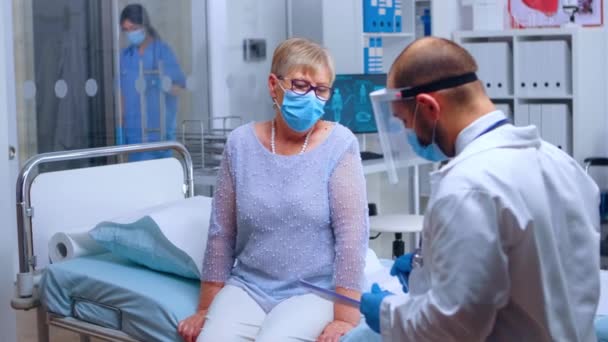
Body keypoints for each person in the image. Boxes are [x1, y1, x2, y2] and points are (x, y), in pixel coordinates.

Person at [360, 37, 600, 341]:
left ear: (428, 107)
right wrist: (429, 272)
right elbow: (535, 276)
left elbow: (452, 329)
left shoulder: (467, 186)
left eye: (405, 121)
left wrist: (386, 313)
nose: (407, 132)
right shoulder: (563, 165)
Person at [178, 38, 369, 342]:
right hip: (249, 287)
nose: (311, 97)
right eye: (300, 85)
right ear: (273, 85)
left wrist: (346, 318)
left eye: (321, 90)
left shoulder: (339, 144)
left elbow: (352, 237)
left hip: (314, 291)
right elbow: (221, 233)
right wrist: (205, 308)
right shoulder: (240, 144)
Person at [118, 3, 185, 160]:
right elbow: (121, 96)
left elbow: (179, 87)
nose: (130, 33)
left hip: (159, 139)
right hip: (133, 139)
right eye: (126, 30)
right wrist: (119, 130)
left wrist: (161, 84)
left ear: (144, 26)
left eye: (133, 28)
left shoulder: (162, 51)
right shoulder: (125, 57)